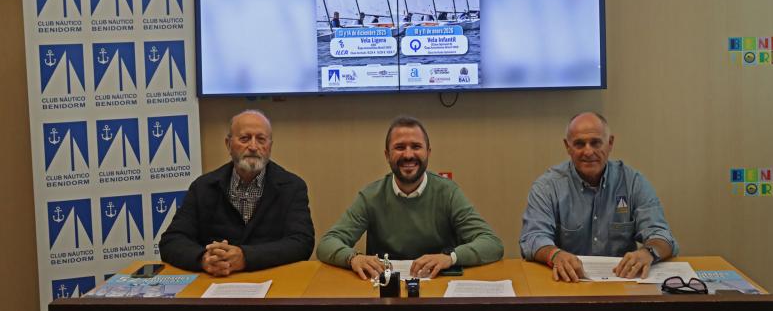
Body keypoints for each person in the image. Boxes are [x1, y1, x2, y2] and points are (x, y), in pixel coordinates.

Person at [317, 116, 503, 279]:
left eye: (416, 146)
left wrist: (450, 258)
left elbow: (491, 243)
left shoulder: (448, 193)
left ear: (428, 152)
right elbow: (327, 244)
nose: (408, 155)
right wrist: (353, 258)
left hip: (437, 287)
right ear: (387, 155)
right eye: (399, 147)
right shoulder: (371, 196)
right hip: (386, 291)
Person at [519, 112, 677, 282]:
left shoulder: (633, 183)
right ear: (567, 146)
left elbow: (662, 235)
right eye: (579, 144)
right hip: (568, 282)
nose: (588, 151)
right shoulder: (547, 186)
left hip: (622, 282)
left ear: (610, 143)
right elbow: (532, 238)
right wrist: (554, 254)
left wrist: (648, 252)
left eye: (595, 143)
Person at [159, 110, 314, 276]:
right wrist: (204, 259)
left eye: (261, 139)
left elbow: (302, 242)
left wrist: (245, 257)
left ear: (270, 146)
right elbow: (172, 240)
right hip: (215, 280)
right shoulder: (203, 187)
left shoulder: (291, 187)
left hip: (272, 279)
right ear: (228, 144)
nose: (253, 147)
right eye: (245, 138)